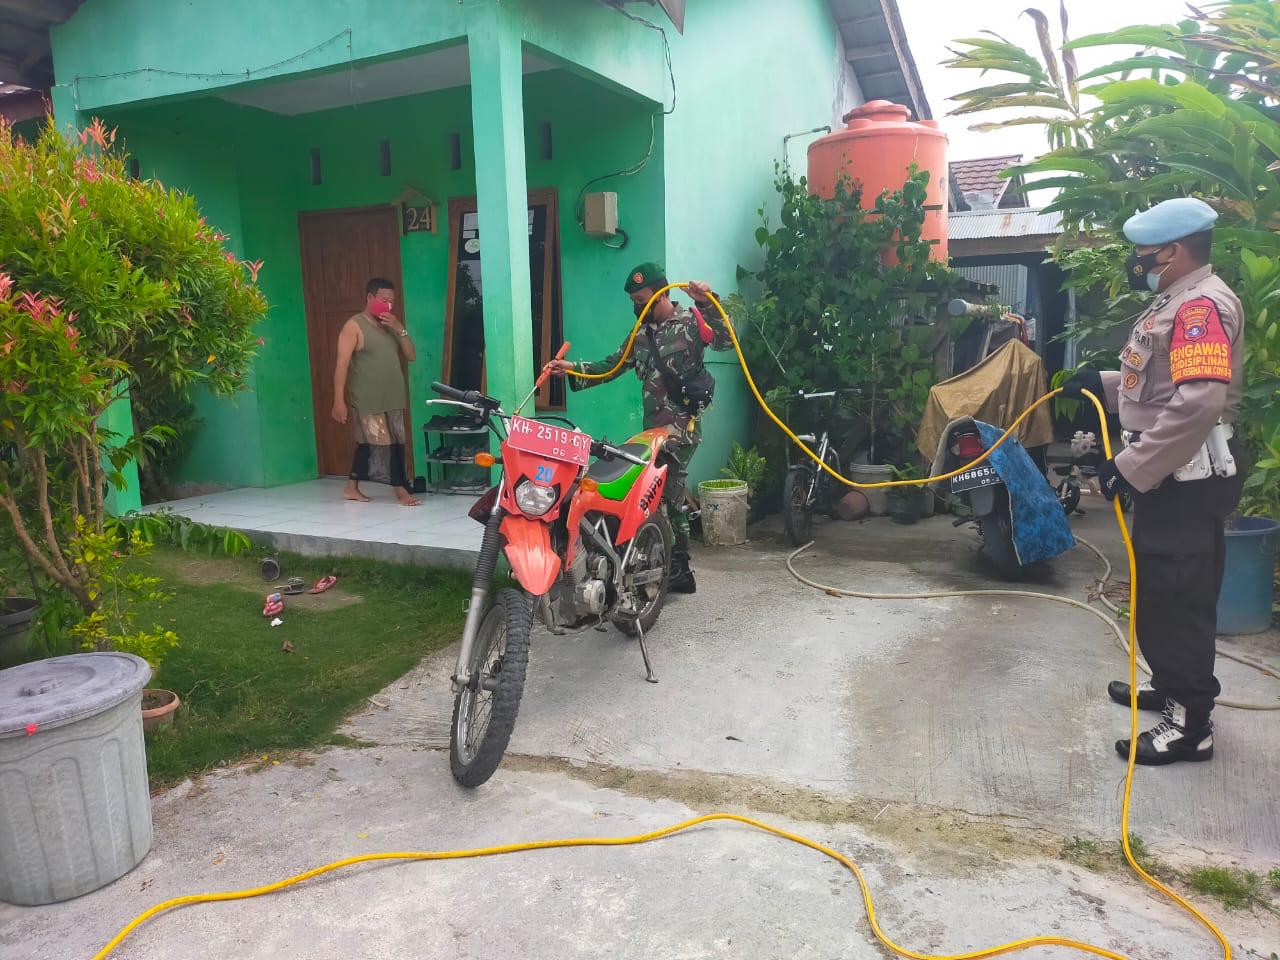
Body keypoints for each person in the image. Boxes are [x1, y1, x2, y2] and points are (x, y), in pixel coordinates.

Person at [1061, 197, 1246, 766]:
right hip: (1173, 474)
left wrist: (1130, 467)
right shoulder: (1178, 300)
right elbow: (1160, 382)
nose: (1138, 263)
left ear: (1175, 251)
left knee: (1179, 598)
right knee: (1161, 592)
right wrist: (1102, 384)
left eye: (1145, 254)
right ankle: (1169, 686)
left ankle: (1190, 726)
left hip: (1186, 478)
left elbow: (1198, 403)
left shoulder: (1199, 308)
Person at [547, 262, 733, 594]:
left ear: (661, 295)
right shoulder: (641, 335)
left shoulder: (691, 322)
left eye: (641, 300)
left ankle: (679, 568)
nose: (637, 307)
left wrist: (707, 302)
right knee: (654, 497)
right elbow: (611, 366)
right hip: (652, 434)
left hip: (682, 428)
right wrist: (571, 368)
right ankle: (660, 562)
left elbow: (725, 340)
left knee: (668, 496)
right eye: (633, 301)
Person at [332, 277, 421, 507]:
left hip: (393, 397)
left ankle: (351, 488)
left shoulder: (391, 326)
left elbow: (411, 355)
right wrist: (338, 401)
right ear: (370, 298)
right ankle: (400, 491)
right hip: (367, 399)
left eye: (391, 301)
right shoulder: (354, 326)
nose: (388, 305)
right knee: (384, 445)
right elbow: (342, 364)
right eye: (383, 300)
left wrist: (399, 328)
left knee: (380, 443)